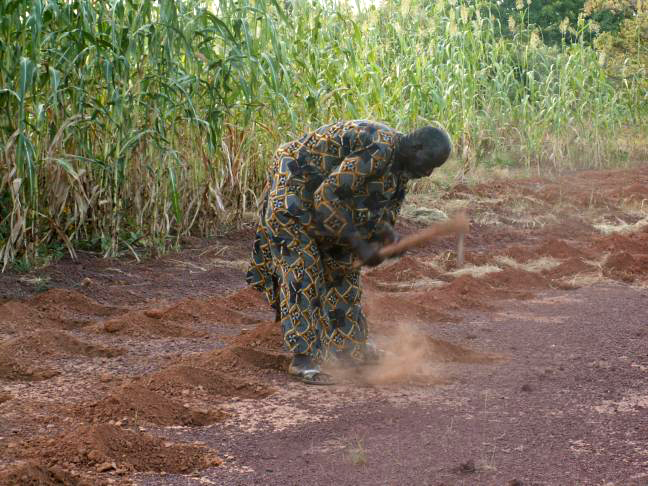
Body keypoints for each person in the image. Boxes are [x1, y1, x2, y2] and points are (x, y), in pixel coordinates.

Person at [246, 120, 451, 384]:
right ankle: (303, 358)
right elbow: (326, 197)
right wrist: (360, 244)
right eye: (429, 162)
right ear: (417, 146)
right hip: (295, 189)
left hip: (324, 202)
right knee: (303, 268)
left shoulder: (401, 166)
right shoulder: (379, 149)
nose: (429, 172)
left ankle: (349, 349)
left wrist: (387, 239)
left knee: (343, 267)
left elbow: (381, 212)